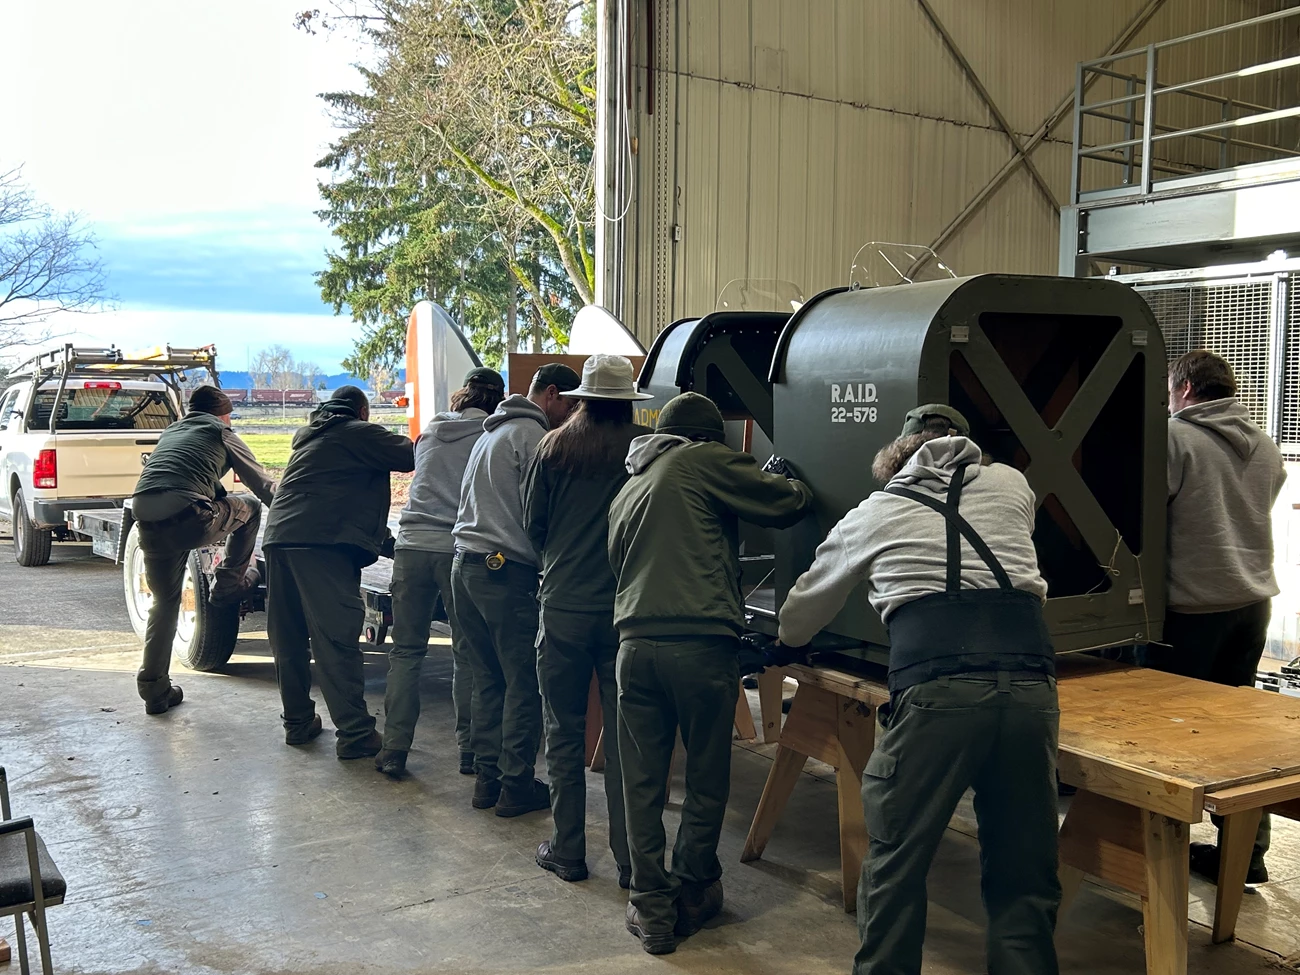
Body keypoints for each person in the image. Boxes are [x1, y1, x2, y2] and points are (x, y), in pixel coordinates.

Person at [778, 405, 1060, 975]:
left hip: (936, 693)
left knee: (896, 860)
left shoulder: (873, 512)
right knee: (1024, 870)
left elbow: (799, 619)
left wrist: (788, 638)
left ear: (895, 460)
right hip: (1032, 686)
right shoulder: (1012, 484)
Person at [607, 392, 813, 954]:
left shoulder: (630, 486)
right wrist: (789, 479)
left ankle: (650, 907)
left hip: (634, 647)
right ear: (708, 438)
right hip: (699, 645)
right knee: (705, 774)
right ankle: (694, 889)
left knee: (642, 781)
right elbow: (786, 502)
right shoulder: (700, 458)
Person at [1146, 350, 1286, 885]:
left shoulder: (1174, 438)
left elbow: (1145, 511)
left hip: (1192, 609)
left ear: (1184, 388)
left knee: (1163, 735)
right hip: (1252, 604)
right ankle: (1247, 856)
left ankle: (1154, 858)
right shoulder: (1264, 443)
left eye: (1168, 389)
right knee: (1238, 735)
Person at [523, 354, 652, 887]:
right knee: (626, 741)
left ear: (582, 400)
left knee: (563, 732)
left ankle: (569, 850)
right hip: (626, 612)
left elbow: (533, 526)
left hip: (563, 609)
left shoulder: (553, 448)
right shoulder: (646, 450)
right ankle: (629, 860)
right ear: (628, 403)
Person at [452, 363, 580, 816]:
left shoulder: (491, 434)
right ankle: (516, 785)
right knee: (523, 682)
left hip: (466, 565)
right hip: (504, 573)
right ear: (552, 394)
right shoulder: (533, 438)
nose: (574, 416)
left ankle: (487, 780)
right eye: (572, 405)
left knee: (488, 679)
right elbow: (542, 513)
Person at [262, 385, 415, 758]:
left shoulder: (310, 440)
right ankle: (355, 733)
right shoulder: (357, 432)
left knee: (289, 638)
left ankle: (298, 723)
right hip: (322, 544)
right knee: (334, 639)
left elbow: (337, 500)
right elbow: (413, 454)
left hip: (279, 538)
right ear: (362, 412)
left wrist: (390, 546)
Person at [375, 367, 506, 779]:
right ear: (498, 400)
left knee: (406, 651)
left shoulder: (431, 430)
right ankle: (470, 750)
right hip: (454, 546)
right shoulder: (490, 436)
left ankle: (394, 749)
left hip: (410, 543)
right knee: (466, 652)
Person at [130, 385, 277, 715]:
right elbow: (262, 486)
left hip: (145, 519)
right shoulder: (220, 431)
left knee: (164, 604)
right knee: (251, 508)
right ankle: (227, 585)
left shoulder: (172, 432)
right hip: (188, 515)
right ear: (223, 414)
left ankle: (154, 690)